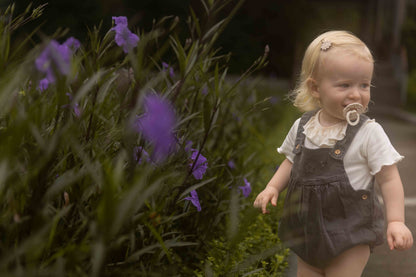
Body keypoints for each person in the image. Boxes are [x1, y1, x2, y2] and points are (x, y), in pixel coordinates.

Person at [253, 30, 413, 276]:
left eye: (364, 85)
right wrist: (272, 187)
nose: (356, 94)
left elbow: (389, 178)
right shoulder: (303, 127)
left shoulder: (369, 133)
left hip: (350, 234)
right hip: (308, 234)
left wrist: (396, 221)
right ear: (315, 88)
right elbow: (290, 161)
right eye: (344, 85)